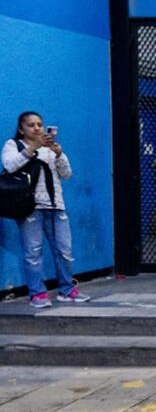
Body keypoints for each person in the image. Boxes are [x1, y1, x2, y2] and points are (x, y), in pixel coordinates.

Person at [3, 112, 90, 307]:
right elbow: (9, 165)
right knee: (33, 252)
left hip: (56, 205)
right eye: (31, 125)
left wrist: (59, 154)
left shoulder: (50, 148)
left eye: (39, 124)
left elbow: (66, 174)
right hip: (30, 207)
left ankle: (67, 290)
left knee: (64, 250)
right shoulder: (14, 145)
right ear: (21, 129)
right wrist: (32, 148)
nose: (36, 128)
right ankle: (37, 294)